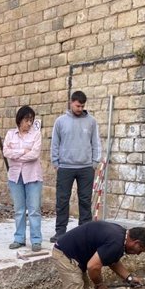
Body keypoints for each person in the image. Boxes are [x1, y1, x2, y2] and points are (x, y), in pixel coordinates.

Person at [50, 90, 101, 243]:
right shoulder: (60, 121)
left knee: (85, 200)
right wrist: (56, 163)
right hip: (65, 167)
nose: (80, 108)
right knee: (62, 200)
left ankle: (85, 232)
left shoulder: (91, 121)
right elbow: (55, 143)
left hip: (86, 168)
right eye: (78, 105)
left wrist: (95, 162)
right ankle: (60, 232)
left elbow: (96, 142)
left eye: (82, 106)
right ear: (71, 103)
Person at [2, 105, 43, 252]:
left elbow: (34, 154)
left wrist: (17, 155)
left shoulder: (36, 134)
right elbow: (6, 151)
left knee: (34, 210)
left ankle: (36, 240)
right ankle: (19, 238)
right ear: (19, 120)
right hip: (15, 176)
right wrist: (22, 151)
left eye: (31, 120)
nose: (29, 123)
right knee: (19, 209)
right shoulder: (10, 134)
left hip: (32, 176)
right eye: (27, 120)